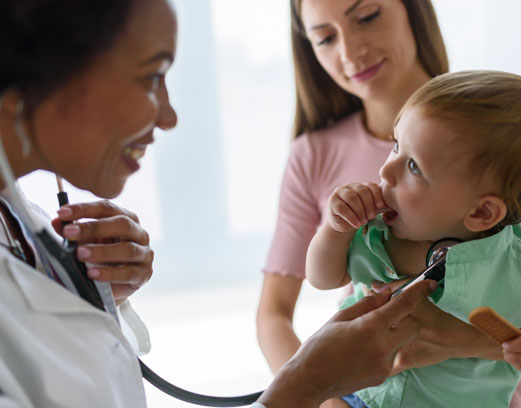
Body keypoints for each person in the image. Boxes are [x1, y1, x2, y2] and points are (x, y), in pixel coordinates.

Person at [0, 1, 436, 406]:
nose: (169, 117)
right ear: (43, 72)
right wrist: (309, 386)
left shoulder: (28, 225)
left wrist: (98, 292)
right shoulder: (317, 154)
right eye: (152, 77)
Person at [256, 1, 521, 407]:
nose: (349, 52)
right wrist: (322, 395)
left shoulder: (512, 135)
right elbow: (275, 312)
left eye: (366, 17)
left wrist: (471, 341)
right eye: (325, 37)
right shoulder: (321, 167)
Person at [306, 70, 521, 408]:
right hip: (360, 395)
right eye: (396, 145)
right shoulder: (376, 226)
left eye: (413, 166)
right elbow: (323, 278)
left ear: (482, 214)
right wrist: (334, 229)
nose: (386, 171)